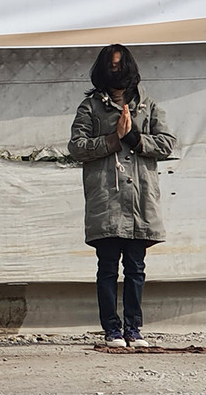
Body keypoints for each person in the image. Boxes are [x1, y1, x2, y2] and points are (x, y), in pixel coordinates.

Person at [68, 44, 175, 348]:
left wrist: (133, 137)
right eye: (110, 66)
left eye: (120, 65)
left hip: (139, 201)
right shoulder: (90, 107)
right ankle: (111, 330)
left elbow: (167, 143)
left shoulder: (148, 106)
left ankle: (134, 328)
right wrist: (113, 139)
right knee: (107, 267)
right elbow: (76, 146)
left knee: (136, 267)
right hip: (106, 198)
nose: (116, 71)